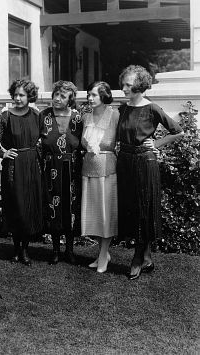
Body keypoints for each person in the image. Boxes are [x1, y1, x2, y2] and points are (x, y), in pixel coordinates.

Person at [116, 65, 184, 280]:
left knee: (143, 209)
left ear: (139, 85)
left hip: (145, 162)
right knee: (131, 208)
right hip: (125, 161)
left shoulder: (152, 108)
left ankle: (137, 258)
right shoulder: (122, 109)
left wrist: (157, 144)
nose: (124, 88)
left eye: (128, 85)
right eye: (123, 84)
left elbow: (178, 131)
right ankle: (147, 258)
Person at [0, 79, 45, 266]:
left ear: (29, 97)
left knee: (29, 205)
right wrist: (3, 152)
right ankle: (16, 249)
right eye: (15, 94)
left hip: (32, 165)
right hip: (13, 166)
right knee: (16, 206)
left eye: (22, 95)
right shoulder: (6, 116)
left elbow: (46, 137)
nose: (17, 98)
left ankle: (25, 250)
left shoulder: (36, 115)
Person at [41, 80, 83, 264]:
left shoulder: (77, 118)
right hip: (51, 169)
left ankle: (70, 250)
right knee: (54, 207)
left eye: (62, 96)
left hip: (72, 168)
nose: (57, 99)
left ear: (70, 99)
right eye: (55, 95)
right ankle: (56, 250)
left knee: (70, 208)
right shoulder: (43, 116)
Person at [80, 81, 119, 273]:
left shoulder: (114, 115)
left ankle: (104, 254)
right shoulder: (86, 116)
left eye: (93, 95)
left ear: (104, 95)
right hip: (88, 170)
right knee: (94, 214)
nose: (89, 98)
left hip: (107, 170)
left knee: (106, 214)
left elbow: (127, 137)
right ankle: (102, 253)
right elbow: (82, 143)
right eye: (88, 94)